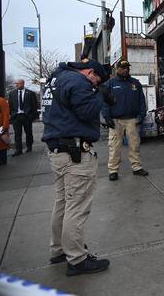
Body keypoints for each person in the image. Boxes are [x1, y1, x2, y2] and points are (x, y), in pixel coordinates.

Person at [41, 58, 116, 276]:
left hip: (58, 151)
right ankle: (76, 258)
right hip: (74, 155)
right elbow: (87, 112)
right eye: (96, 80)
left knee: (63, 202)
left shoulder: (55, 79)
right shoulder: (78, 80)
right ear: (90, 71)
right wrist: (100, 95)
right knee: (77, 206)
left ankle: (58, 250)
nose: (95, 85)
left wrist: (96, 92)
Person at [102, 59, 148, 181]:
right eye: (123, 68)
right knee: (114, 146)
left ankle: (137, 167)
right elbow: (105, 102)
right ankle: (113, 170)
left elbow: (141, 101)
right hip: (116, 120)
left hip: (132, 120)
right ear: (117, 68)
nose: (126, 70)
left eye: (127, 67)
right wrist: (107, 118)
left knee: (134, 145)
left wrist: (142, 115)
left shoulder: (135, 83)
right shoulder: (110, 83)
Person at [8, 79, 38, 155]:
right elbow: (10, 105)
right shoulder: (12, 94)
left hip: (26, 116)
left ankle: (29, 146)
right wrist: (10, 114)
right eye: (16, 83)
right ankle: (18, 149)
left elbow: (34, 105)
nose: (16, 85)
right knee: (17, 133)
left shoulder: (30, 93)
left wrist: (33, 115)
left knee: (28, 132)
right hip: (16, 116)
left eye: (18, 83)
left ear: (22, 84)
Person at [0, 86, 11, 165]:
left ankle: (2, 160)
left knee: (2, 143)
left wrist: (5, 126)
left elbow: (6, 114)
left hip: (0, 126)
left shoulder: (2, 101)